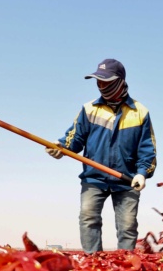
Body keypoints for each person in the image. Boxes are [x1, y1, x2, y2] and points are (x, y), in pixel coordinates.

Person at [46, 59, 157, 253]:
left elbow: (147, 148)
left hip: (127, 179)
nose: (101, 86)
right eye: (98, 81)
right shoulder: (89, 109)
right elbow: (75, 138)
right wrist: (61, 147)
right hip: (94, 177)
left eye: (106, 81)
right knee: (88, 218)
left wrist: (142, 173)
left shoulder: (140, 112)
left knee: (128, 226)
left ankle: (125, 264)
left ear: (120, 81)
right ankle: (93, 261)